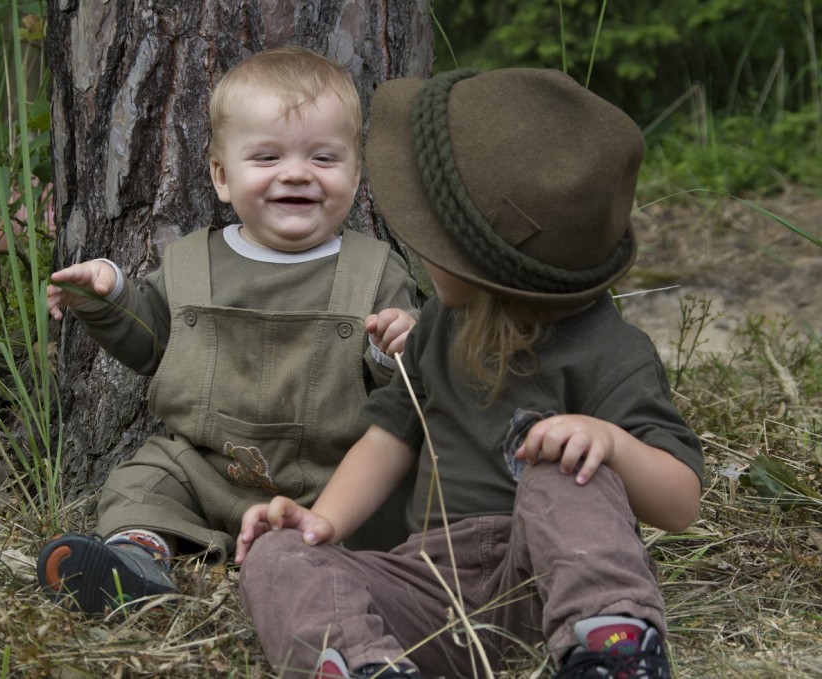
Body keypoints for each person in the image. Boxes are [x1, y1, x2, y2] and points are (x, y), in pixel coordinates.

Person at [235, 68, 704, 679]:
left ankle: (610, 648)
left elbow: (681, 504)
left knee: (560, 471)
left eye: (435, 237)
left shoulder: (611, 352)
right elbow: (388, 440)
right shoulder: (437, 326)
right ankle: (359, 661)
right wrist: (323, 522)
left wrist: (609, 444)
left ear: (482, 263)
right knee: (277, 555)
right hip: (426, 584)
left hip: (549, 577)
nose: (421, 248)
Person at [35, 45, 420, 614]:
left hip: (331, 477)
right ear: (221, 176)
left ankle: (323, 568)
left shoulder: (375, 270)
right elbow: (154, 347)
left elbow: (403, 400)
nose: (296, 173)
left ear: (356, 174)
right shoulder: (194, 263)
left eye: (324, 158)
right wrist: (108, 294)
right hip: (205, 466)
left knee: (390, 507)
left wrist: (397, 345)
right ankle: (138, 555)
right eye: (266, 157)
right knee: (141, 481)